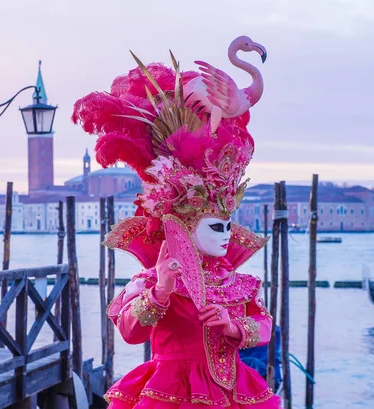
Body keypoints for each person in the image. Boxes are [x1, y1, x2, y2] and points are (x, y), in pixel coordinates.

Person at [72, 39, 280, 409]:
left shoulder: (236, 281)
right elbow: (131, 332)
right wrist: (161, 291)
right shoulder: (154, 278)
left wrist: (232, 328)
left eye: (228, 224)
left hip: (235, 392)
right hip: (171, 391)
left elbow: (262, 325)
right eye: (216, 226)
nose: (228, 235)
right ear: (183, 225)